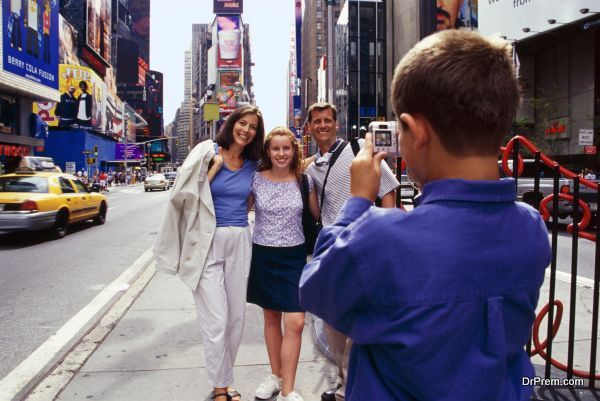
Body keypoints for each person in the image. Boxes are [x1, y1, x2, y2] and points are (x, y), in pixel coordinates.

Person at [299, 30, 552, 400]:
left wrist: (357, 202)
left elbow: (316, 290)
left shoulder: (378, 238)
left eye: (399, 130)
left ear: (416, 132)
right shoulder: (531, 228)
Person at [154, 105, 265, 401]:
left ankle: (225, 381)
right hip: (206, 242)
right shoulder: (206, 151)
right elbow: (181, 193)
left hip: (239, 240)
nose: (246, 130)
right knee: (216, 321)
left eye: (253, 127)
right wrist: (215, 167)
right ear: (232, 124)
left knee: (236, 320)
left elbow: (252, 199)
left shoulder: (254, 164)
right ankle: (220, 389)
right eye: (242, 123)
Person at [303, 102, 399, 401]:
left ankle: (353, 390)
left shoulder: (359, 150)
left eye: (327, 120)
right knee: (335, 324)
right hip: (335, 248)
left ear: (336, 124)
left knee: (362, 322)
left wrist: (387, 236)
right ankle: (347, 383)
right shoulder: (313, 167)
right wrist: (306, 181)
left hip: (367, 244)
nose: (322, 125)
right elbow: (319, 212)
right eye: (316, 121)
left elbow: (388, 193)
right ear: (309, 128)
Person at [247, 127, 319, 401]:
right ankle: (276, 378)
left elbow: (317, 215)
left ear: (294, 150)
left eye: (285, 148)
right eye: (275, 148)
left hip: (294, 256)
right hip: (263, 254)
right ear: (267, 151)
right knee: (270, 318)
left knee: (296, 322)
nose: (280, 153)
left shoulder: (305, 181)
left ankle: (289, 390)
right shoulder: (256, 179)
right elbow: (241, 211)